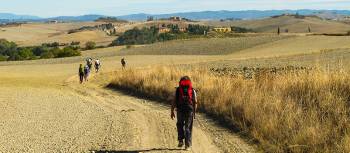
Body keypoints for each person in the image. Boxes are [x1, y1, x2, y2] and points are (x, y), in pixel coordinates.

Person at [171, 76, 197, 151]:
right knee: (188, 127)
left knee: (179, 124)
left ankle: (180, 141)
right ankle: (187, 145)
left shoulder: (178, 90)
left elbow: (173, 101)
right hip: (189, 110)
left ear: (180, 83)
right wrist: (194, 112)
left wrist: (172, 111)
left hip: (180, 110)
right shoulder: (192, 90)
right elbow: (195, 102)